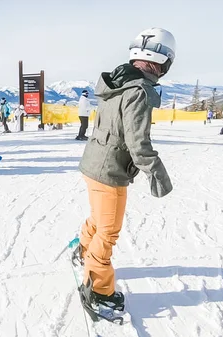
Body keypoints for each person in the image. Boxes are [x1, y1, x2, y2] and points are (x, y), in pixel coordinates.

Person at [74, 27, 175, 322]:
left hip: (94, 162)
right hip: (109, 170)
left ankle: (83, 248)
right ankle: (99, 290)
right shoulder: (139, 91)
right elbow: (137, 143)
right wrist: (158, 175)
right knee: (108, 231)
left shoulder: (116, 82)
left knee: (98, 218)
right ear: (165, 60)